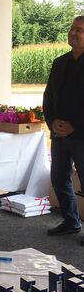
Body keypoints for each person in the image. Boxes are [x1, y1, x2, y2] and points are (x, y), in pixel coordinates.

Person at [43, 16, 84, 242]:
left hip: (81, 134)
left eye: (80, 30)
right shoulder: (60, 62)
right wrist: (52, 122)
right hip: (59, 133)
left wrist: (74, 125)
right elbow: (48, 96)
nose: (74, 33)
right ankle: (71, 221)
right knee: (59, 178)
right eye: (72, 28)